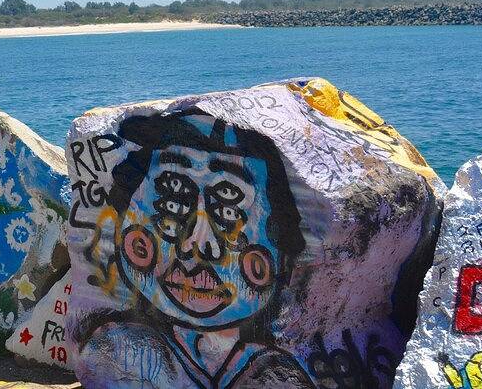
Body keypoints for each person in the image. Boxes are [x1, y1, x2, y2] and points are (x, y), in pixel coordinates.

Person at [76, 109, 314, 388]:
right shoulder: (120, 352)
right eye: (173, 206)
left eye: (228, 214)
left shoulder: (277, 375)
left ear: (279, 251)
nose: (196, 245)